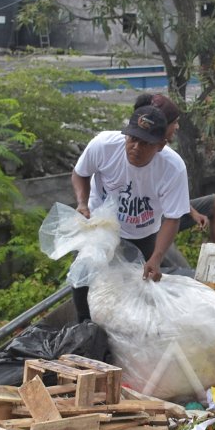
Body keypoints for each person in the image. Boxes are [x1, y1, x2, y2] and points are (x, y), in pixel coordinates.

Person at [70, 105, 190, 321]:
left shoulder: (173, 169)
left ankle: (123, 333)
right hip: (101, 227)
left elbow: (172, 218)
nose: (135, 147)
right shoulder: (104, 145)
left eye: (145, 143)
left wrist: (156, 257)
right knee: (83, 280)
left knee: (135, 290)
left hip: (142, 234)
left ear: (161, 145)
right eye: (132, 138)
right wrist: (82, 203)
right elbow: (80, 173)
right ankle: (84, 326)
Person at [132, 92, 215, 245]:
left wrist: (194, 213)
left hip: (163, 216)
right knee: (176, 266)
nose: (177, 127)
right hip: (145, 226)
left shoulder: (169, 160)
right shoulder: (132, 151)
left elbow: (171, 196)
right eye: (174, 122)